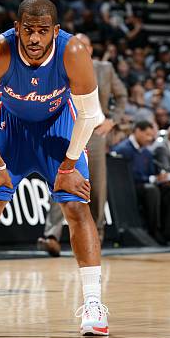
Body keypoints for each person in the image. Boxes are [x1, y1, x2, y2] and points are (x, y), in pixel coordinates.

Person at [0, 0, 109, 337]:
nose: (35, 39)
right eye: (29, 31)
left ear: (55, 31)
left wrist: (68, 166)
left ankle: (94, 304)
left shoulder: (73, 50)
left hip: (59, 126)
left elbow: (91, 115)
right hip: (10, 127)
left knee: (77, 208)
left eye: (43, 32)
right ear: (17, 28)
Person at [38, 32, 128, 254]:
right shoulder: (59, 66)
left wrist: (112, 120)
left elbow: (122, 95)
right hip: (67, 129)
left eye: (84, 44)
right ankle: (52, 235)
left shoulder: (105, 68)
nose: (79, 48)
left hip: (95, 131)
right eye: (76, 44)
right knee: (62, 179)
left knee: (96, 184)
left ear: (90, 49)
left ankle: (96, 236)